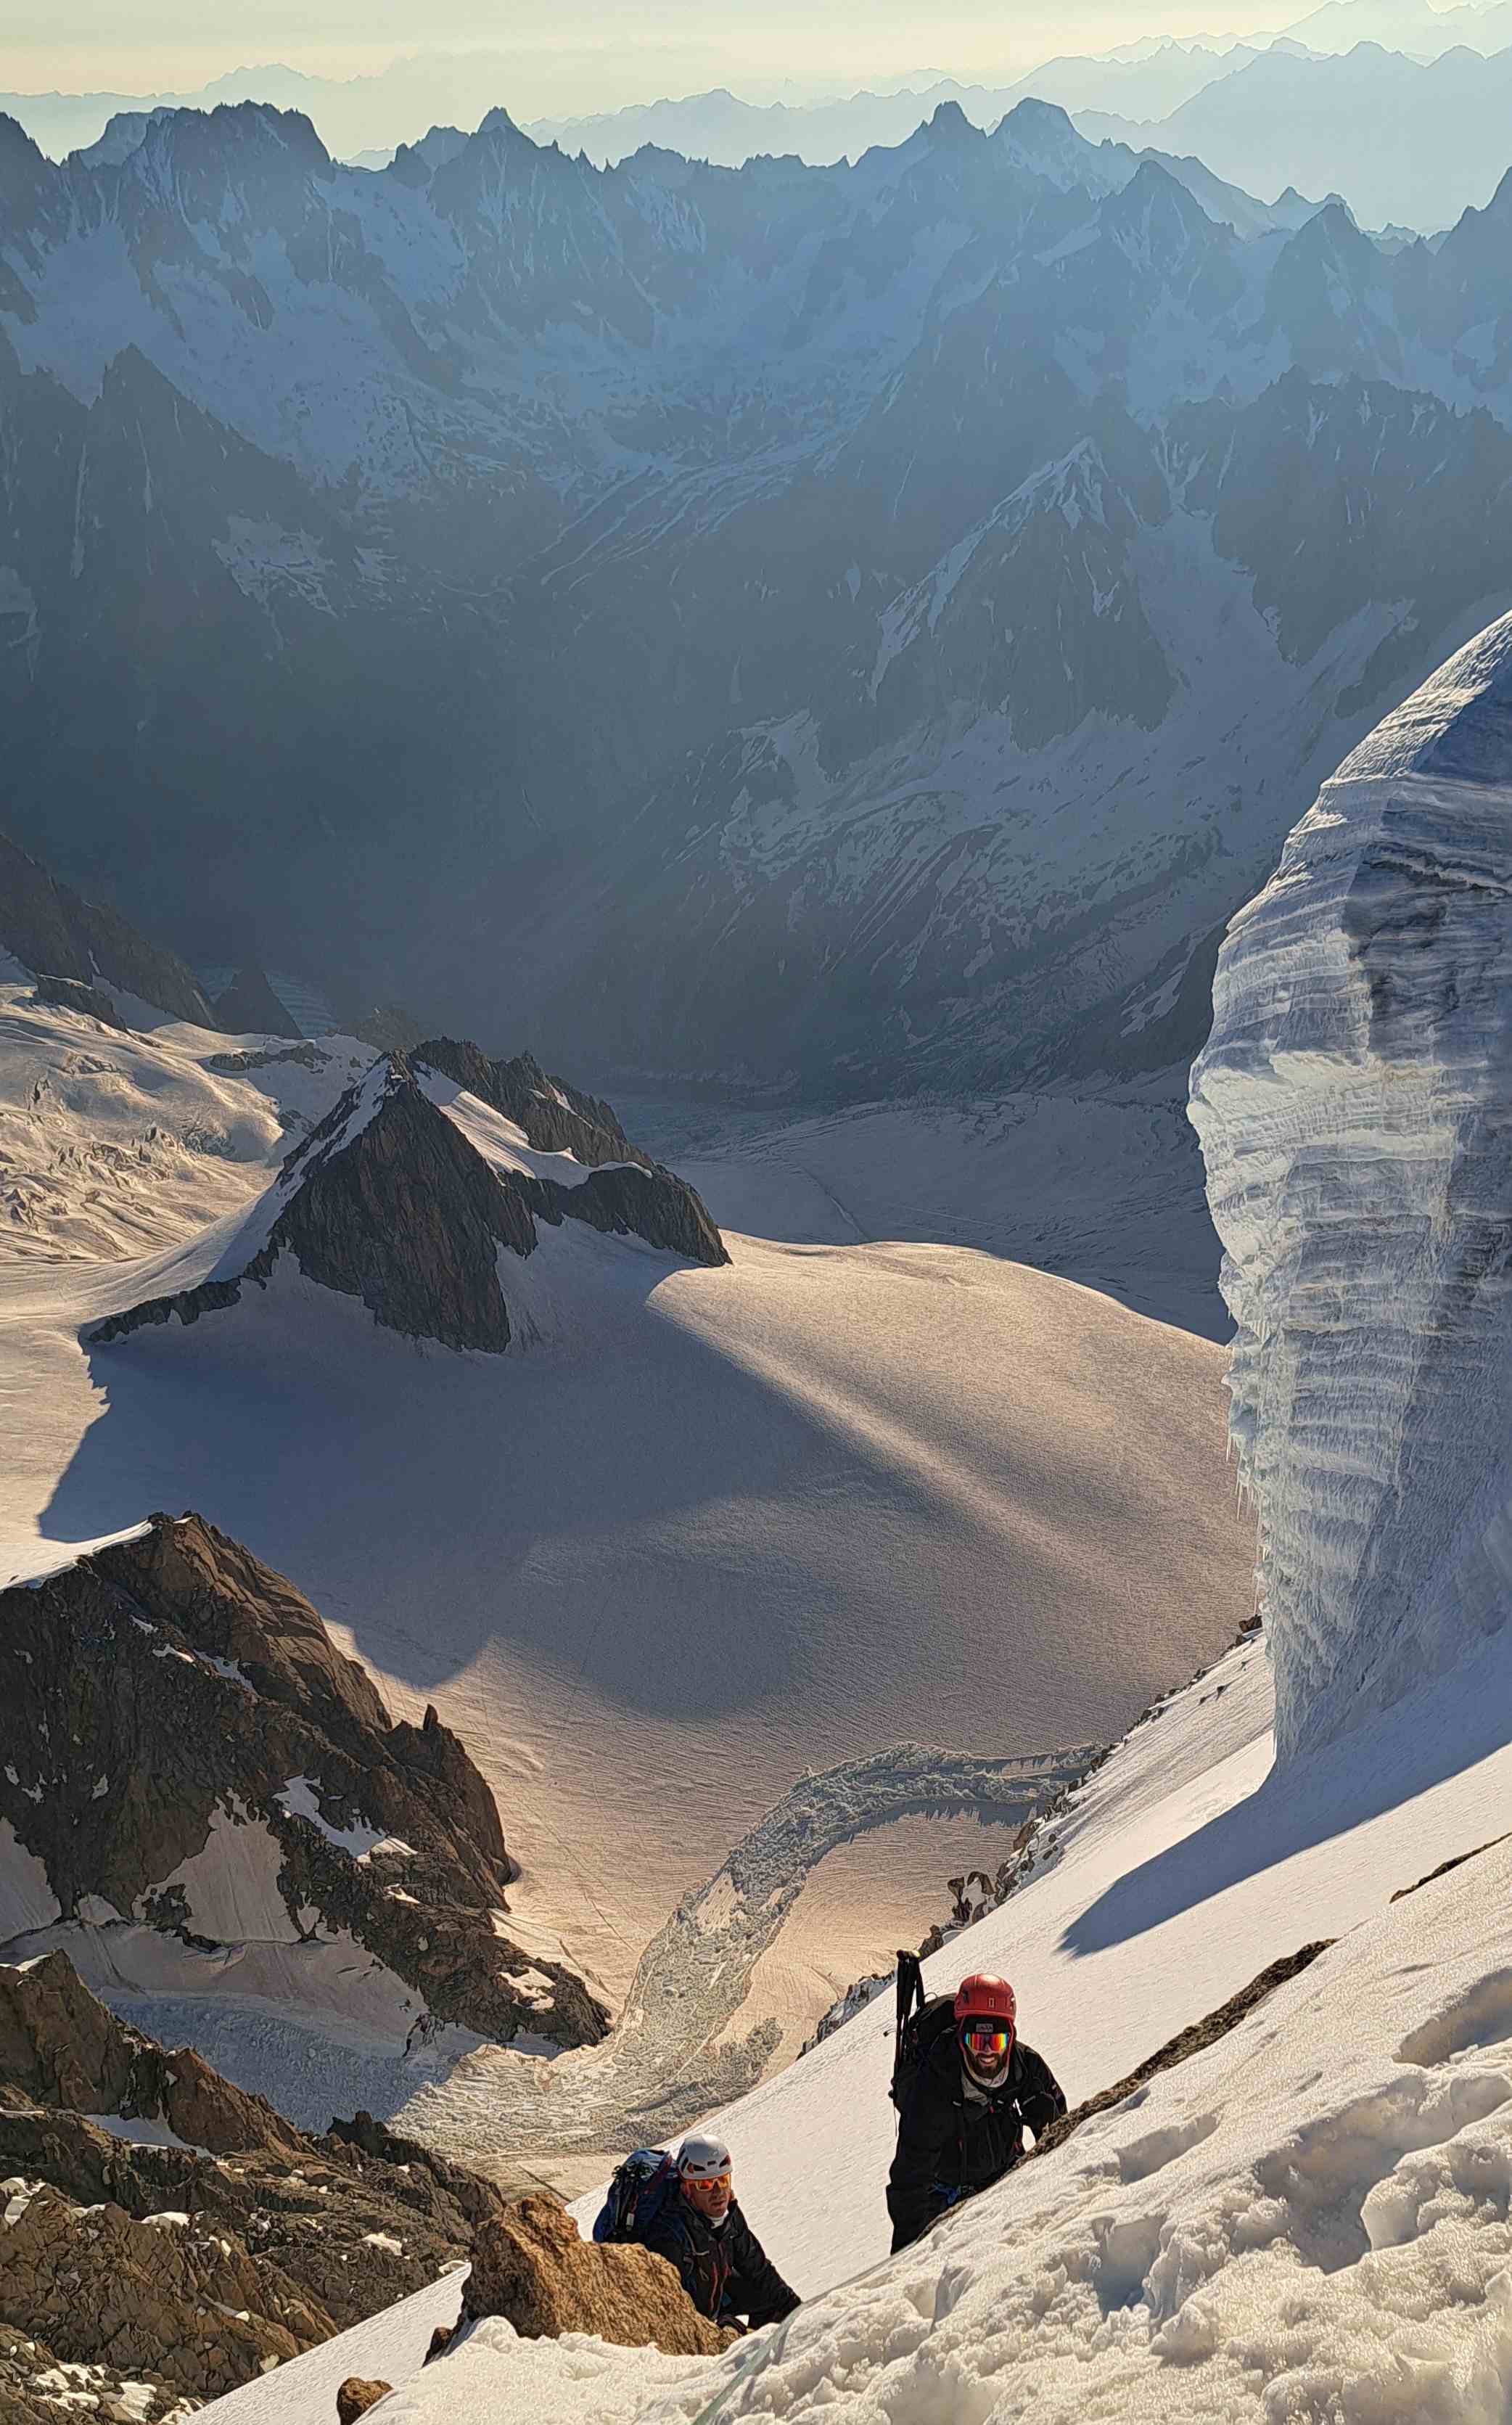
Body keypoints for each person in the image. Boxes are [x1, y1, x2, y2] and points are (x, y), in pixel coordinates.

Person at [887, 1971, 1065, 2252]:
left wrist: (1048, 2121)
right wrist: (905, 2256)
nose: (986, 2053)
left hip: (1006, 2173)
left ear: (1011, 2037)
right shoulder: (935, 2084)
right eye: (977, 2041)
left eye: (995, 2042)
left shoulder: (1027, 2068)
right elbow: (910, 2178)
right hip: (945, 2195)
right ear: (960, 2037)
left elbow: (1067, 2138)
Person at [640, 2133, 800, 2331]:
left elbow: (758, 2268)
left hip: (714, 2293)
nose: (718, 2193)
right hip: (694, 2314)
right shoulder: (669, 2236)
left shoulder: (729, 2216)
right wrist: (724, 2331)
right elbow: (680, 2314)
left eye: (722, 2180)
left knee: (770, 2298)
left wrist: (797, 2310)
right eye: (705, 2185)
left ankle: (761, 2352)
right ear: (687, 2190)